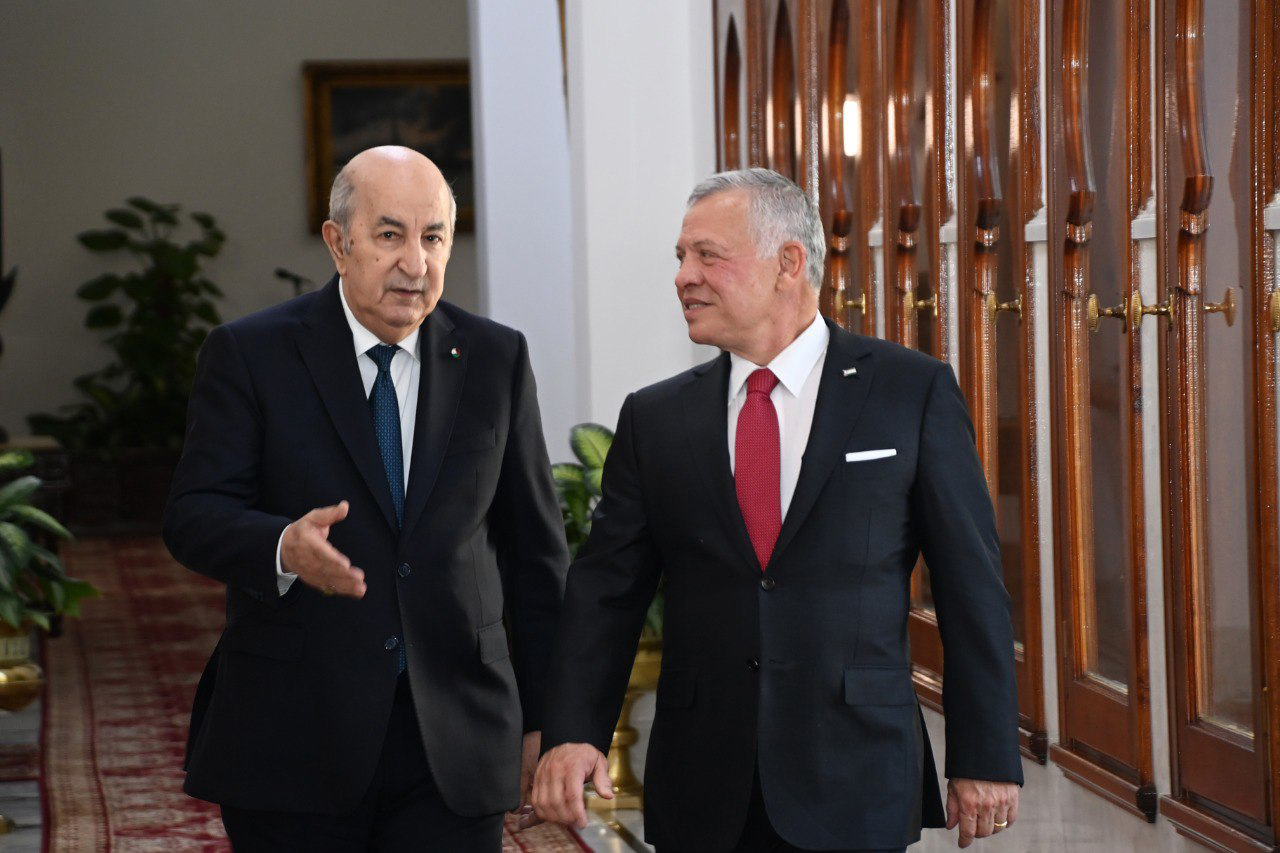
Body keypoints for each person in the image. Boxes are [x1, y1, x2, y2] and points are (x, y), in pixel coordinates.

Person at [531, 168, 1022, 852]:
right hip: (701, 783)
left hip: (855, 774)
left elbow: (971, 585)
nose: (683, 276)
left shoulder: (910, 392)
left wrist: (987, 752)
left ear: (789, 263)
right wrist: (572, 733)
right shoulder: (656, 418)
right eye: (681, 256)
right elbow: (606, 593)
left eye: (708, 255)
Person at [163, 146, 567, 851]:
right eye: (389, 235)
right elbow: (193, 515)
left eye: (433, 237)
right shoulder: (251, 354)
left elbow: (535, 556)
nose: (416, 262)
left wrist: (547, 723)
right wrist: (281, 546)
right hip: (296, 734)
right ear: (338, 243)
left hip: (457, 738)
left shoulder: (495, 358)